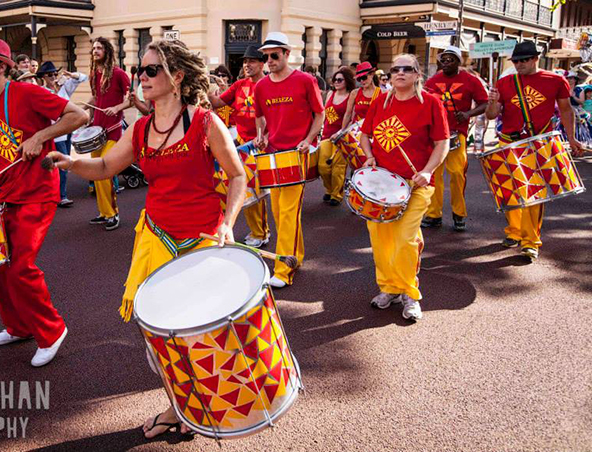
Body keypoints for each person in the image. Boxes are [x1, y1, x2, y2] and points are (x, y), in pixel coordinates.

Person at [47, 38, 247, 437]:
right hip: (156, 239)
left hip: (203, 241)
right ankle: (179, 407)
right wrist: (71, 162)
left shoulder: (206, 122)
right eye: (140, 69)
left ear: (178, 76)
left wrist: (228, 223)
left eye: (152, 69)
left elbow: (239, 175)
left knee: (203, 334)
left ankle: (210, 402)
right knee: (160, 336)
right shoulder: (140, 128)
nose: (142, 76)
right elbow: (105, 165)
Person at [0, 39, 87, 367]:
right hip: (5, 196)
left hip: (36, 193)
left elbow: (77, 115)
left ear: (3, 67)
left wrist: (39, 137)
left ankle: (51, 330)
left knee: (21, 266)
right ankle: (19, 326)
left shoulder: (25, 93)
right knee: (1, 267)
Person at [359, 54, 449, 321]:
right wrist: (369, 155)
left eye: (407, 69)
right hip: (382, 186)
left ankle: (410, 293)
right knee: (380, 240)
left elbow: (442, 143)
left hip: (416, 185)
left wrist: (428, 170)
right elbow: (365, 134)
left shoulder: (431, 103)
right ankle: (389, 288)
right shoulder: (380, 102)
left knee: (405, 240)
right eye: (395, 68)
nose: (400, 73)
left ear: (417, 74)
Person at [485, 41, 582, 261]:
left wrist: (572, 137)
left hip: (538, 143)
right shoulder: (505, 82)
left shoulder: (556, 80)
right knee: (508, 192)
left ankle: (530, 242)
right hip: (508, 143)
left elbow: (566, 111)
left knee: (534, 194)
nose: (518, 64)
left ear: (535, 59)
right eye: (516, 61)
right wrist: (492, 103)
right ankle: (515, 231)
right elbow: (491, 116)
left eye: (523, 60)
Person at [254, 32, 325, 288]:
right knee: (278, 213)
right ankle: (297, 257)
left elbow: (320, 114)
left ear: (286, 53)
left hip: (297, 155)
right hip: (273, 155)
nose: (269, 60)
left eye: (274, 55)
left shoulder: (305, 80)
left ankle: (283, 270)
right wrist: (261, 135)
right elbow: (259, 117)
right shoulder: (260, 86)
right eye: (266, 56)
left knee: (288, 213)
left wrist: (309, 139)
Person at [209, 45, 271, 248]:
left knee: (255, 193)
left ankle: (261, 233)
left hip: (262, 146)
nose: (247, 65)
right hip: (242, 146)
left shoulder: (269, 84)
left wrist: (266, 137)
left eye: (252, 61)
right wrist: (203, 90)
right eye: (245, 61)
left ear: (262, 63)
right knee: (242, 190)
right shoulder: (238, 85)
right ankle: (255, 231)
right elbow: (217, 103)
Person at [422, 46, 488, 232]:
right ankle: (433, 214)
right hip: (435, 135)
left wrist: (467, 114)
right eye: (443, 59)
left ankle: (459, 214)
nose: (446, 62)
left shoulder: (470, 80)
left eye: (451, 59)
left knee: (457, 174)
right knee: (434, 175)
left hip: (456, 134)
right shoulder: (433, 81)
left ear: (459, 61)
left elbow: (484, 103)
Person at [85, 37, 131, 231]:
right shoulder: (94, 74)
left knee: (104, 172)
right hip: (97, 130)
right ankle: (104, 213)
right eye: (94, 48)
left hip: (112, 131)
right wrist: (86, 113)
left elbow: (131, 100)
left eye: (99, 48)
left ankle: (113, 214)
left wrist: (117, 107)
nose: (95, 51)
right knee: (96, 174)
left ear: (107, 51)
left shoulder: (119, 74)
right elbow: (95, 97)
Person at [38, 61, 88, 207]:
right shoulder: (42, 91)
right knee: (62, 163)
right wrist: (54, 91)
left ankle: (57, 194)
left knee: (61, 162)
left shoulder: (64, 88)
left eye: (55, 74)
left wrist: (72, 75)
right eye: (50, 75)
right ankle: (61, 196)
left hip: (68, 131)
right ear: (43, 77)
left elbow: (83, 78)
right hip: (55, 132)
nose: (54, 77)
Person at [318, 68, 355, 206]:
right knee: (323, 166)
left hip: (342, 136)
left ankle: (336, 194)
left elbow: (352, 116)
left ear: (347, 81)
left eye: (340, 80)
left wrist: (341, 132)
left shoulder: (352, 95)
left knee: (338, 168)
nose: (336, 82)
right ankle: (329, 189)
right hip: (326, 134)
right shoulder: (330, 94)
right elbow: (324, 114)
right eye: (334, 80)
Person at [341, 62, 382, 129]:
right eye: (359, 79)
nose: (362, 81)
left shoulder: (382, 93)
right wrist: (342, 132)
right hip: (356, 132)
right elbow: (348, 114)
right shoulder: (355, 93)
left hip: (374, 130)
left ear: (372, 74)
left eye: (364, 77)